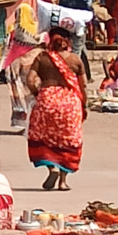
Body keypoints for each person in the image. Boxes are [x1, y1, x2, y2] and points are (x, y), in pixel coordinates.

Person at [27, 27, 88, 191]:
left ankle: (51, 167)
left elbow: (30, 80)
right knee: (68, 140)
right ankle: (62, 181)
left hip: (47, 100)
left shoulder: (42, 57)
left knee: (45, 137)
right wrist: (84, 105)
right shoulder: (75, 59)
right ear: (67, 41)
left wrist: (38, 95)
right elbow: (83, 86)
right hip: (70, 104)